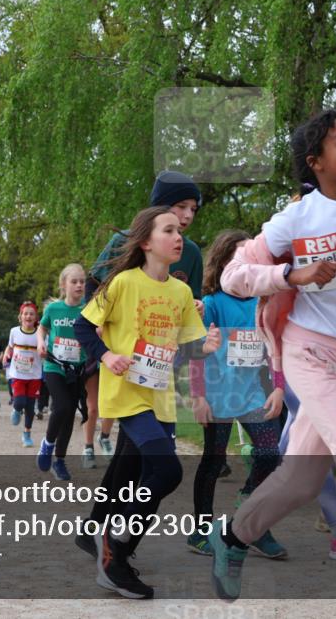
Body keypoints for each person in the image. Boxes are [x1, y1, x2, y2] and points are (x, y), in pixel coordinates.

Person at [206, 110, 336, 619]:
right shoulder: (297, 218)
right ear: (316, 162)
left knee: (302, 480)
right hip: (307, 353)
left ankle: (233, 536)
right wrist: (291, 276)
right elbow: (234, 276)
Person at [75, 206, 218, 599]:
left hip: (161, 397)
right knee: (167, 471)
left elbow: (187, 347)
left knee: (136, 475)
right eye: (168, 230)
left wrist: (206, 346)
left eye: (179, 232)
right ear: (145, 242)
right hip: (127, 395)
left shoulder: (181, 292)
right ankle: (114, 546)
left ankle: (113, 553)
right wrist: (106, 356)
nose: (178, 237)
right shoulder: (123, 283)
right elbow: (84, 326)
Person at [82, 170, 205, 468]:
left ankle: (110, 501)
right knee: (142, 446)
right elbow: (94, 283)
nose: (188, 215)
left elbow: (189, 299)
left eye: (193, 209)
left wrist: (196, 307)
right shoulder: (124, 240)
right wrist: (98, 325)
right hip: (120, 350)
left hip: (158, 361)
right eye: (181, 206)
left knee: (132, 450)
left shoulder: (190, 253)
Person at [187, 230, 287, 559]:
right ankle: (200, 531)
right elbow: (197, 350)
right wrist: (198, 396)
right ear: (225, 262)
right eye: (239, 254)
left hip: (253, 395)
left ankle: (251, 522)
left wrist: (278, 386)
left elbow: (274, 348)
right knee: (213, 462)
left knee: (270, 455)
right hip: (218, 397)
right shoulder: (212, 304)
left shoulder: (263, 302)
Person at [36, 265, 88, 481]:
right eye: (74, 281)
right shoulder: (53, 309)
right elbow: (42, 327)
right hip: (54, 365)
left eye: (82, 281)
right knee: (63, 405)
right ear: (63, 285)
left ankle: (59, 461)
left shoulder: (89, 310)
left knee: (69, 416)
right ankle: (48, 444)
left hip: (77, 369)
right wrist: (40, 342)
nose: (79, 285)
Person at [6, 302, 42, 447]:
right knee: (20, 402)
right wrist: (6, 355)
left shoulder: (40, 333)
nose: (28, 316)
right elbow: (10, 346)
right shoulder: (14, 331)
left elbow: (44, 350)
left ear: (36, 317)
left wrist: (44, 353)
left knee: (30, 407)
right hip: (18, 374)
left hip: (34, 375)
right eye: (25, 313)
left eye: (31, 314)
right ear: (20, 317)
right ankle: (16, 409)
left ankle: (27, 434)